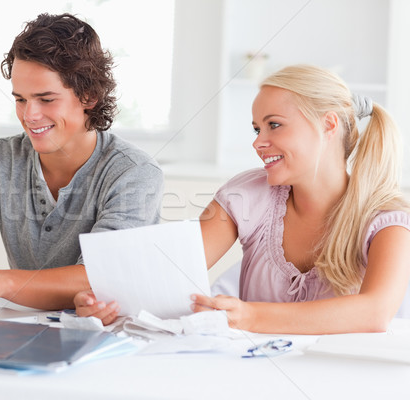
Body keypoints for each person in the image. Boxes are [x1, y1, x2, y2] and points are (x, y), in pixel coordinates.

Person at [76, 64, 410, 333]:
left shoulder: (387, 220)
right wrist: (108, 302)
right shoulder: (246, 194)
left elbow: (375, 312)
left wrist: (249, 316)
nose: (258, 142)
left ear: (328, 125)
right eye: (256, 129)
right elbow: (167, 273)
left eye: (274, 125)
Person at [0, 13, 163, 317]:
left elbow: (101, 276)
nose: (29, 115)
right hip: (24, 327)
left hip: (106, 334)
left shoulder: (133, 172)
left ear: (89, 96)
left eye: (45, 99)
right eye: (20, 99)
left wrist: (1, 281)